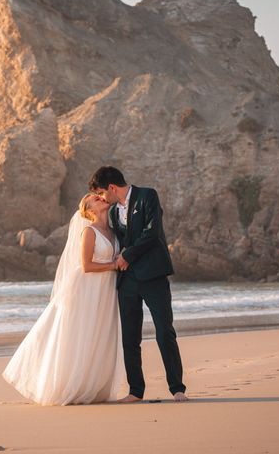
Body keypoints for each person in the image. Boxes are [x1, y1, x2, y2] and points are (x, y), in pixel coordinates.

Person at [2, 193, 127, 405]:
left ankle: (93, 384)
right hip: (87, 288)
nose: (101, 198)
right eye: (96, 199)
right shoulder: (89, 232)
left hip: (105, 289)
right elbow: (86, 265)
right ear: (90, 211)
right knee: (81, 333)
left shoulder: (114, 232)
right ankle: (70, 385)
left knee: (99, 333)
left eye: (100, 197)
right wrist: (113, 265)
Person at [89, 166, 188, 402]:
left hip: (154, 276)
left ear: (112, 187)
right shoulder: (113, 213)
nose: (102, 198)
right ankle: (136, 391)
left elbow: (152, 233)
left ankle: (177, 388)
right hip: (128, 281)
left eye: (102, 193)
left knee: (165, 331)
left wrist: (127, 255)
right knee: (130, 338)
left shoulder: (147, 196)